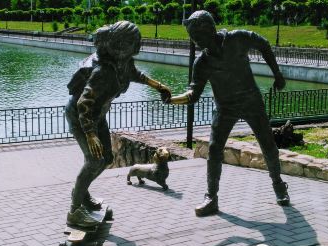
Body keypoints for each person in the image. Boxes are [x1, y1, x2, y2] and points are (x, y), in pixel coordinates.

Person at [169, 11, 290, 217]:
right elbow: (194, 94)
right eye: (192, 38)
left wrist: (277, 73)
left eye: (196, 37)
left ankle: (279, 187)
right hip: (225, 107)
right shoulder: (202, 63)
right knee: (215, 149)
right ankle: (211, 198)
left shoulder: (237, 39)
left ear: (208, 29)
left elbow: (264, 44)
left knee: (268, 144)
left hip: (251, 101)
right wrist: (171, 99)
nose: (195, 42)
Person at [65, 21, 172, 227]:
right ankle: (74, 211)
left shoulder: (123, 62)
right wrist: (90, 134)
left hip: (98, 116)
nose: (138, 47)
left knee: (106, 158)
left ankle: (82, 194)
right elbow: (83, 103)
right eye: (135, 43)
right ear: (124, 44)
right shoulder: (104, 71)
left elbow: (136, 75)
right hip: (82, 118)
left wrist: (159, 86)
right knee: (94, 161)